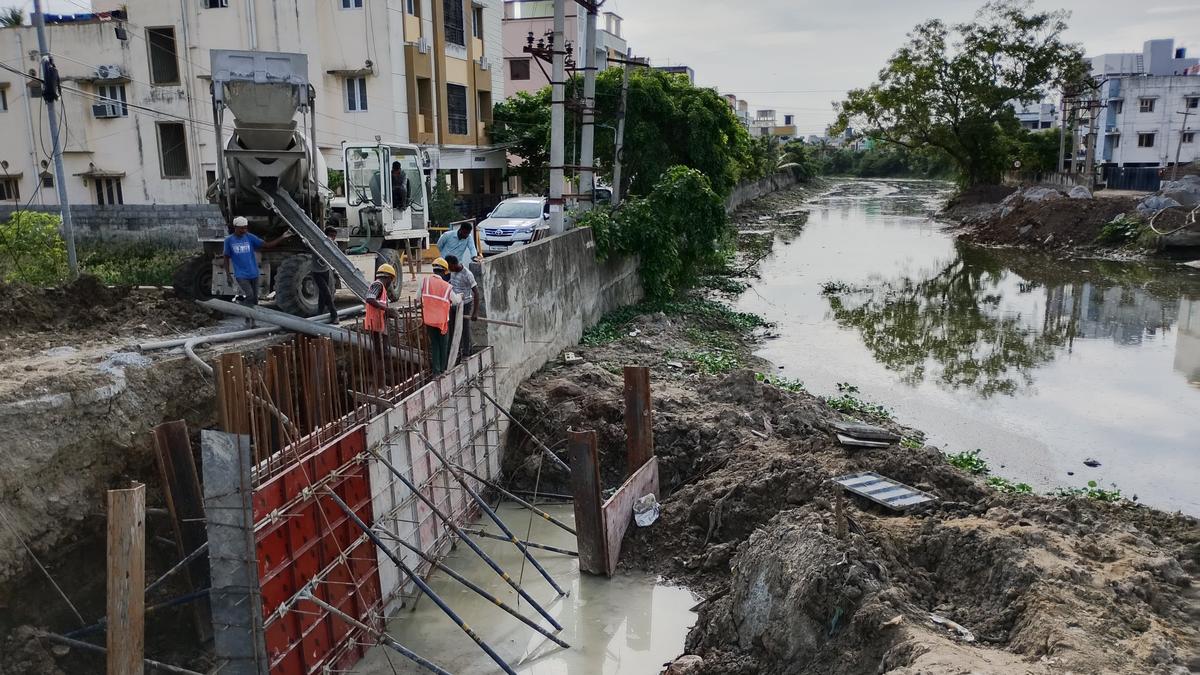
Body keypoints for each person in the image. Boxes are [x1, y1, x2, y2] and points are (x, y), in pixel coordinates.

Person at [222, 216, 290, 326]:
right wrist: (228, 275)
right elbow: (226, 258)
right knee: (249, 295)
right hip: (241, 274)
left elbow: (267, 245)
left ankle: (251, 321)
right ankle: (244, 311)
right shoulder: (229, 240)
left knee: (255, 299)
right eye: (242, 228)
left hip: (254, 273)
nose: (244, 230)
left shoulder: (250, 237)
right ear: (235, 227)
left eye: (246, 228)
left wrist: (282, 237)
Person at [419, 257, 462, 374]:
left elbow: (419, 298)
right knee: (444, 345)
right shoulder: (446, 286)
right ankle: (443, 370)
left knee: (434, 344)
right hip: (442, 321)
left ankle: (436, 371)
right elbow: (456, 301)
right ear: (444, 271)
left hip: (428, 319)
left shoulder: (425, 282)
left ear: (434, 270)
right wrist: (461, 296)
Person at [445, 255, 480, 358]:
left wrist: (475, 312)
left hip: (465, 304)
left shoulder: (467, 274)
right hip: (453, 303)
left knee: (464, 328)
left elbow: (476, 293)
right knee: (452, 328)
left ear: (453, 264)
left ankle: (466, 352)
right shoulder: (452, 271)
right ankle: (454, 352)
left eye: (449, 266)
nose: (448, 269)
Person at [312, 226, 339, 325]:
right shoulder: (318, 243)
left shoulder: (334, 244)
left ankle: (320, 312)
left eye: (334, 236)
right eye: (331, 236)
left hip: (325, 271)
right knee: (326, 292)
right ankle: (334, 315)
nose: (332, 238)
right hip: (316, 272)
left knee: (322, 294)